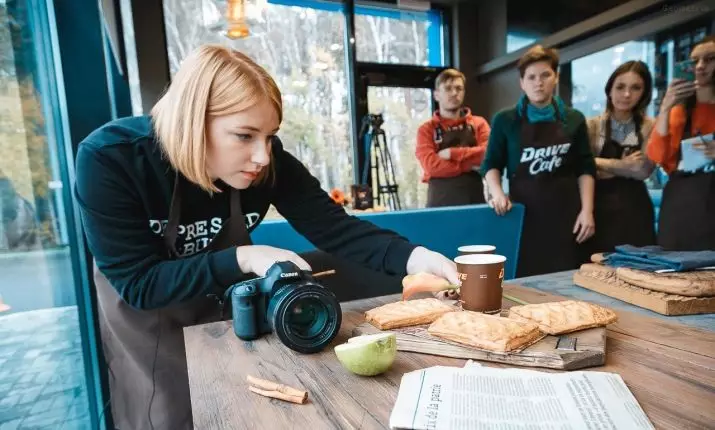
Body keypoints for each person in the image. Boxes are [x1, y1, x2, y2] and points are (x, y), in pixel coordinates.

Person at [74, 45, 459, 430]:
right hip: (148, 322)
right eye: (244, 135)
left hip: (221, 308)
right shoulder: (111, 159)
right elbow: (139, 284)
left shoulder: (268, 162)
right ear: (191, 120)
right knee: (168, 414)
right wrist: (244, 256)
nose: (262, 156)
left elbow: (335, 227)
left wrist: (416, 257)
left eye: (270, 135)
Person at [481, 45, 596, 278]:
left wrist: (587, 211)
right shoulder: (505, 120)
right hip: (523, 217)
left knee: (566, 281)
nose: (538, 82)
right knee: (526, 281)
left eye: (545, 75)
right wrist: (497, 193)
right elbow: (491, 164)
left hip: (567, 217)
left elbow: (585, 168)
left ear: (556, 77)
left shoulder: (574, 119)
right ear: (522, 82)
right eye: (531, 77)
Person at [647, 35, 715, 251]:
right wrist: (666, 106)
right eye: (695, 61)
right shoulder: (680, 111)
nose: (701, 66)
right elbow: (657, 155)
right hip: (682, 205)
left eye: (710, 59)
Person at [583, 61, 657, 256]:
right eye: (620, 87)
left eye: (636, 88)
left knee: (640, 269)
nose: (626, 94)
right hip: (598, 208)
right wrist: (625, 165)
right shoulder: (591, 125)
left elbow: (643, 171)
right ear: (609, 89)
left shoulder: (649, 126)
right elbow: (581, 165)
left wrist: (598, 163)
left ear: (644, 92)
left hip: (636, 209)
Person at [416, 68, 491, 207]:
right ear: (436, 95)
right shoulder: (426, 130)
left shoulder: (479, 123)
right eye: (448, 88)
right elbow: (431, 166)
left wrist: (452, 153)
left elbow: (488, 154)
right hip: (439, 204)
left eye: (458, 88)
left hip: (474, 201)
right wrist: (468, 164)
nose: (454, 93)